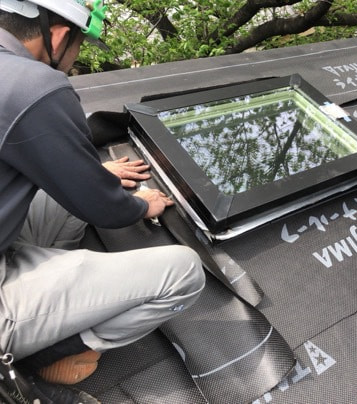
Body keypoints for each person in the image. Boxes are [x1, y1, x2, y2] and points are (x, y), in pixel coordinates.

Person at [0, 0, 205, 401]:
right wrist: (142, 205)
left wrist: (86, 173)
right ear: (59, 35)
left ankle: (51, 298)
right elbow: (105, 209)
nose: (74, 59)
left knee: (69, 194)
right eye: (79, 47)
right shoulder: (33, 85)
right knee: (184, 273)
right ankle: (44, 354)